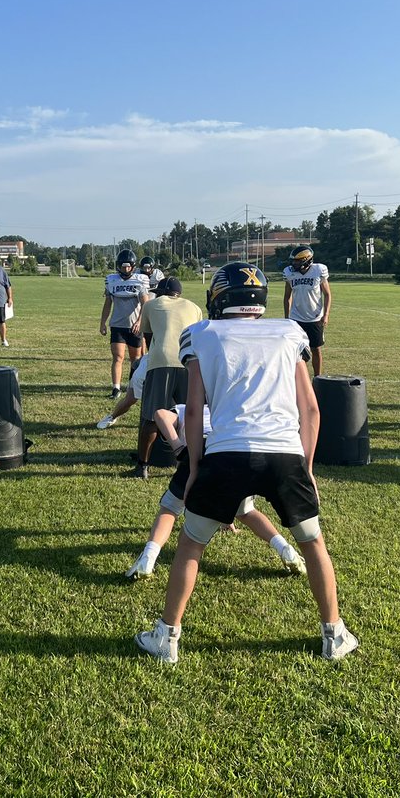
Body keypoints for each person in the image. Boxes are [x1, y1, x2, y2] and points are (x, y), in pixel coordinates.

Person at [135, 261, 357, 664]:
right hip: (285, 452)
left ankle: (166, 638)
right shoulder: (290, 332)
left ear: (219, 297)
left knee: (190, 545)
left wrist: (196, 467)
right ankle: (335, 634)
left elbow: (195, 406)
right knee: (313, 543)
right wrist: (306, 468)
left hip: (226, 453)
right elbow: (310, 410)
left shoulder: (201, 334)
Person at [126, 402, 307, 579]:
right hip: (233, 452)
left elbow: (160, 414)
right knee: (246, 511)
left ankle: (148, 558)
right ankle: (285, 549)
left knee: (170, 508)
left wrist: (179, 446)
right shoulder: (227, 409)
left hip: (204, 449)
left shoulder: (186, 408)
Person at [131, 276, 203, 480]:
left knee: (152, 416)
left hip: (161, 360)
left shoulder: (151, 305)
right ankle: (191, 464)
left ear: (161, 292)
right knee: (189, 415)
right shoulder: (194, 307)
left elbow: (148, 337)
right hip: (189, 361)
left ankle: (142, 466)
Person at [99, 248, 150, 399]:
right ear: (118, 266)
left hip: (134, 326)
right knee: (118, 357)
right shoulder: (112, 280)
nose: (126, 269)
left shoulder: (140, 280)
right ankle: (116, 388)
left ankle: (133, 387)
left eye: (128, 266)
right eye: (123, 266)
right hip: (117, 325)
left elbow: (145, 303)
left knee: (136, 359)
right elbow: (108, 303)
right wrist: (103, 322)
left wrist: (139, 321)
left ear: (133, 266)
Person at [282, 245, 332, 376]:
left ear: (307, 260)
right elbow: (287, 297)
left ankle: (317, 378)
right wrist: (287, 318)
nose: (294, 263)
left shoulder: (319, 270)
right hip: (296, 317)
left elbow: (327, 294)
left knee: (316, 349)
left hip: (315, 317)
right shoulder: (289, 273)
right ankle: (297, 378)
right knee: (296, 350)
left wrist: (326, 315)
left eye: (297, 261)